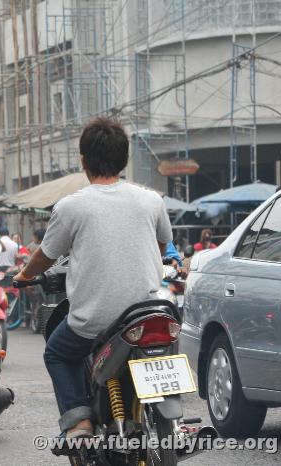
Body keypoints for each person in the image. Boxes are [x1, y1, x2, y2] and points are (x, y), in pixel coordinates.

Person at [13, 118, 172, 443]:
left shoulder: (71, 206)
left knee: (57, 353)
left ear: (83, 161)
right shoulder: (152, 200)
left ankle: (79, 423)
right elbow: (159, 245)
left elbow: (46, 255)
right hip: (152, 311)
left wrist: (25, 274)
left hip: (98, 320)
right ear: (124, 159)